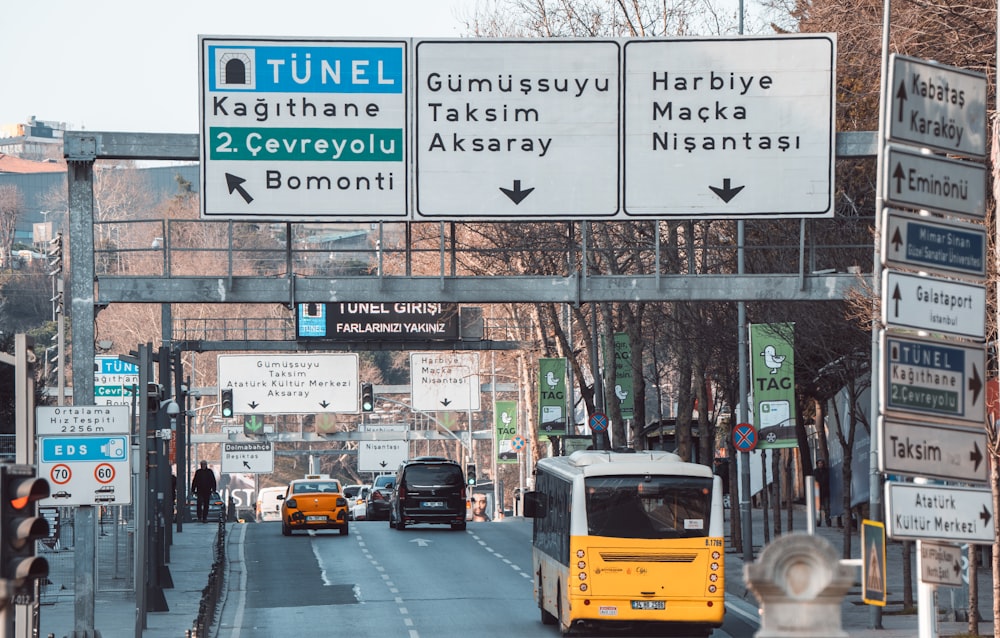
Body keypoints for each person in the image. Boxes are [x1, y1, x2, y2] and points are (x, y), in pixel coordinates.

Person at [814, 459, 831, 527]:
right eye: (819, 463)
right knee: (818, 508)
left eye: (821, 463)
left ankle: (828, 521)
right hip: (818, 492)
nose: (820, 464)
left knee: (827, 508)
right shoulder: (815, 471)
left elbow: (826, 479)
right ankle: (818, 521)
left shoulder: (826, 471)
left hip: (825, 492)